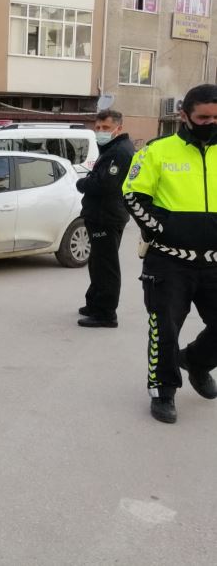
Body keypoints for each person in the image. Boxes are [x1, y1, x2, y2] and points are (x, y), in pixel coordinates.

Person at [123, 83, 217, 424]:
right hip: (168, 261)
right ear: (184, 115)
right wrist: (165, 229)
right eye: (204, 117)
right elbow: (133, 195)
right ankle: (163, 391)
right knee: (164, 328)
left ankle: (196, 361)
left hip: (214, 263)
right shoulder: (157, 151)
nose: (211, 123)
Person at [76, 110, 135, 328]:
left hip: (106, 216)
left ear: (118, 128)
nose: (100, 132)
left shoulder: (119, 152)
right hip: (100, 214)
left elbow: (104, 185)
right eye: (98, 128)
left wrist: (81, 183)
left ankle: (106, 313)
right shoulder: (111, 148)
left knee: (106, 266)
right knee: (97, 262)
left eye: (106, 128)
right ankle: (94, 303)